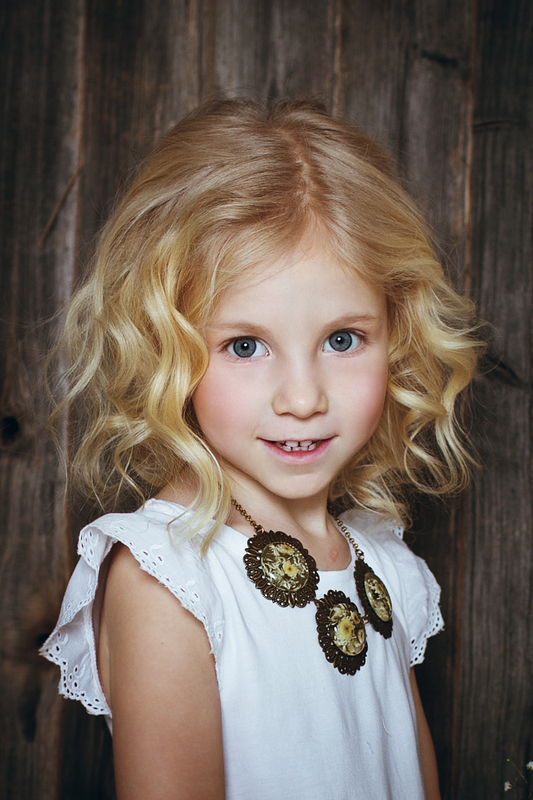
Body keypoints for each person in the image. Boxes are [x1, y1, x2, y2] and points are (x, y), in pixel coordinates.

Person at [41, 97, 480, 800]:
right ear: (165, 347)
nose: (302, 398)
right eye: (245, 346)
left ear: (396, 335)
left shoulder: (382, 562)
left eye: (342, 339)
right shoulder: (168, 580)